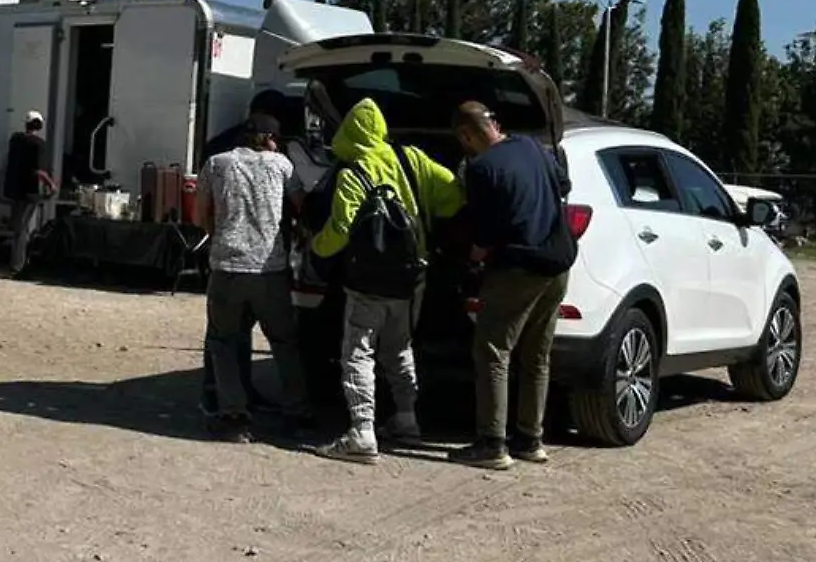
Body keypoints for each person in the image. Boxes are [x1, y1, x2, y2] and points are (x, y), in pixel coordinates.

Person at [310, 98, 464, 464]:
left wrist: (316, 247)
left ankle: (362, 431)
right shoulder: (413, 159)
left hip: (366, 281)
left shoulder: (353, 173)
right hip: (412, 278)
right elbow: (454, 197)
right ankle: (407, 419)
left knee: (357, 353)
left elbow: (339, 232)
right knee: (400, 347)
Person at [448, 101, 576, 470]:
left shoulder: (481, 168)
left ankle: (491, 444)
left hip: (519, 267)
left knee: (492, 350)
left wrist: (469, 260)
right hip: (557, 264)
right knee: (536, 353)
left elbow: (485, 235)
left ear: (466, 135)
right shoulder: (531, 146)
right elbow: (564, 184)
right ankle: (530, 439)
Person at [195, 113, 310, 442]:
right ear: (270, 139)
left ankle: (234, 417)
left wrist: (216, 235)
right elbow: (302, 207)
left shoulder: (217, 164)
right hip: (270, 271)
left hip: (227, 269)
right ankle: (297, 412)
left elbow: (200, 213)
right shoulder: (281, 165)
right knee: (285, 343)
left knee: (224, 342)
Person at [3, 112, 56, 275]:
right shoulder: (39, 144)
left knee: (18, 227)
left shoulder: (15, 140)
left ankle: (16, 262)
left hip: (14, 190)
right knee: (22, 229)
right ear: (39, 125)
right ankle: (18, 265)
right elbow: (39, 171)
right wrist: (52, 185)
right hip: (30, 192)